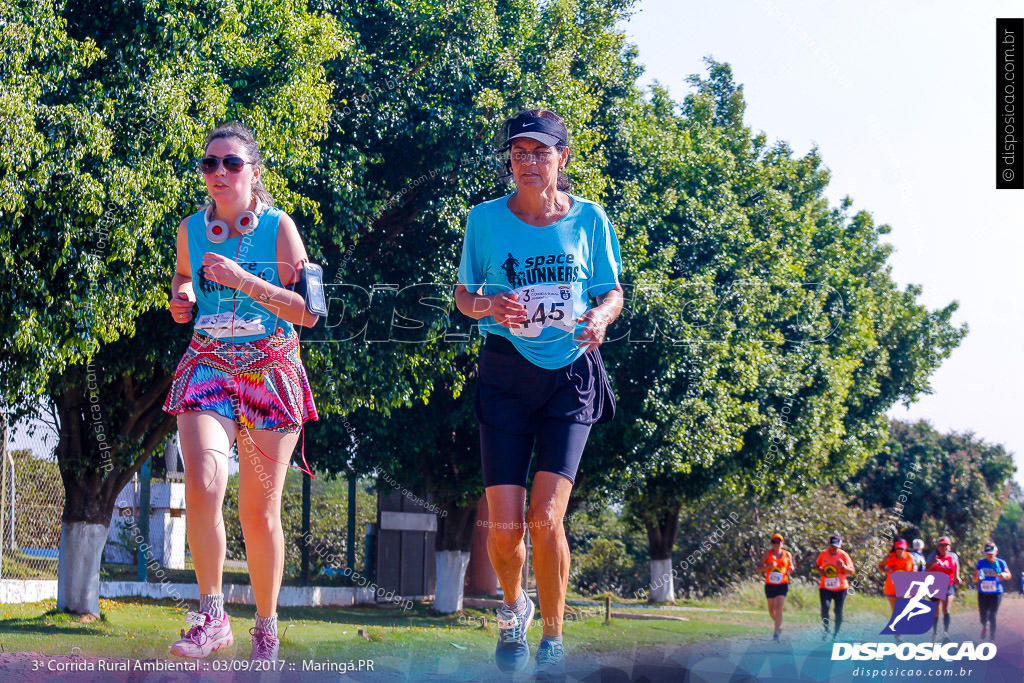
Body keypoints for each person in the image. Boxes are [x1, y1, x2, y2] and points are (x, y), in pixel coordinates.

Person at [455, 109, 623, 674]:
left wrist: (600, 317)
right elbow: (464, 295)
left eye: (540, 152)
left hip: (571, 376)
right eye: (519, 152)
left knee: (545, 518)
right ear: (510, 160)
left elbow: (612, 291)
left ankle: (552, 638)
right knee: (504, 532)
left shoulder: (591, 220)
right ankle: (513, 608)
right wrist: (488, 305)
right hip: (504, 373)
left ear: (562, 159)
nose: (528, 161)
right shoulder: (484, 220)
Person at [162, 121, 321, 661]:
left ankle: (266, 626)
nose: (219, 173)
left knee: (259, 511)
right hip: (207, 364)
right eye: (209, 164)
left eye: (231, 163)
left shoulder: (279, 228)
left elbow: (308, 312)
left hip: (268, 369)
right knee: (203, 485)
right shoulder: (190, 229)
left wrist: (241, 281)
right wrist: (182, 298)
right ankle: (211, 615)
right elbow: (185, 278)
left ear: (254, 172)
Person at [816, 535, 855, 640]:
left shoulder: (844, 555)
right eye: (832, 546)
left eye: (836, 547)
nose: (834, 548)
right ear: (829, 545)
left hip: (841, 588)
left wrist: (843, 567)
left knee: (838, 610)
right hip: (825, 586)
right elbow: (817, 565)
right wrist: (820, 571)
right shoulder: (823, 554)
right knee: (825, 607)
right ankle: (826, 629)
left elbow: (852, 572)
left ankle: (836, 633)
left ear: (840, 546)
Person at [926, 535, 963, 643]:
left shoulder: (953, 556)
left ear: (950, 547)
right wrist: (933, 564)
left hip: (948, 584)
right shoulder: (933, 556)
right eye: (942, 545)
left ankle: (946, 633)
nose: (944, 548)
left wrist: (957, 576)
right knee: (935, 611)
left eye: (946, 545)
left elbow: (956, 566)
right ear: (938, 547)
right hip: (935, 585)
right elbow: (926, 571)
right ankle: (934, 632)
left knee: (946, 609)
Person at [878, 539, 915, 641]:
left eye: (902, 548)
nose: (900, 550)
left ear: (905, 548)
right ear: (895, 548)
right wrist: (886, 570)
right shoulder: (889, 557)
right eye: (898, 548)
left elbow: (913, 569)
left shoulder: (909, 557)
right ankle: (898, 634)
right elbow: (880, 566)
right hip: (891, 588)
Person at [759, 533, 793, 641]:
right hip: (770, 584)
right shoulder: (767, 554)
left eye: (779, 542)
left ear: (782, 543)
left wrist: (791, 568)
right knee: (771, 611)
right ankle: (778, 625)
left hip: (782, 584)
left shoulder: (787, 554)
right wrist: (768, 566)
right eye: (774, 542)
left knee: (779, 608)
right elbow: (759, 568)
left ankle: (776, 632)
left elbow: (791, 566)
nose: (776, 544)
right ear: (771, 543)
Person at [973, 543, 1011, 640]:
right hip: (983, 593)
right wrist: (977, 576)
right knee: (983, 617)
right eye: (987, 553)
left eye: (991, 553)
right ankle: (985, 625)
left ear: (996, 552)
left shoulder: (1001, 563)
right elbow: (975, 579)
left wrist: (1003, 575)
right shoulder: (980, 563)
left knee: (992, 615)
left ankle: (992, 638)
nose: (989, 555)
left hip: (996, 593)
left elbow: (1008, 575)